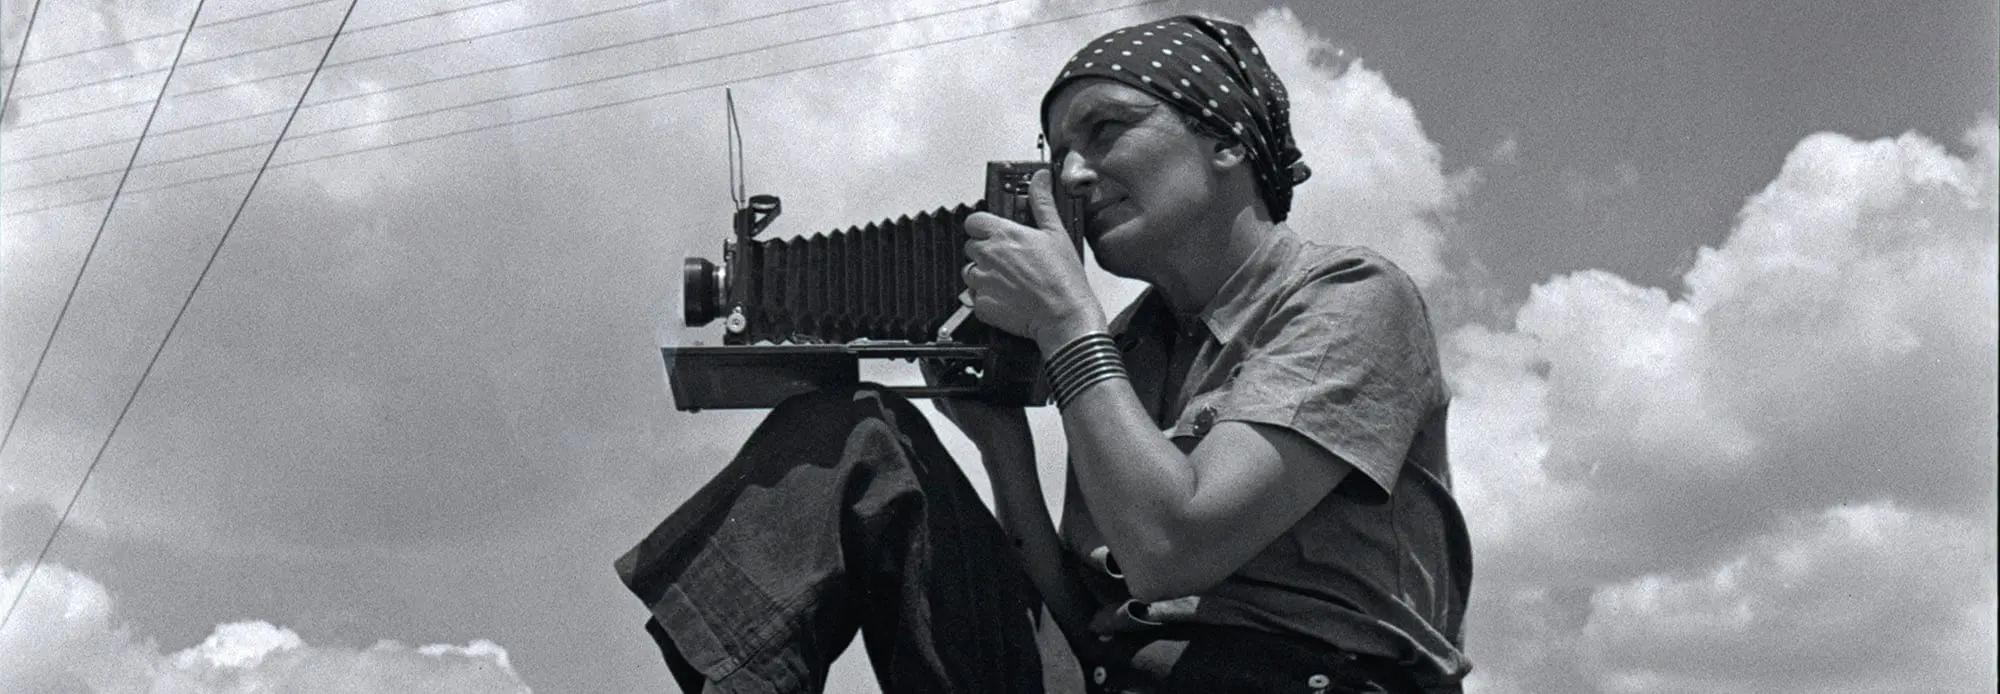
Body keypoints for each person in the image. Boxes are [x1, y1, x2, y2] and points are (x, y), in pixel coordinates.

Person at [617, 15, 1471, 693]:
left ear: (1228, 141)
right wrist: (1002, 449)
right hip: (1114, 677)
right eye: (1057, 151)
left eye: (1105, 131)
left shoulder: (1351, 296)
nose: (1071, 174)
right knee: (853, 438)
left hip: (1306, 682)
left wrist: (1067, 324)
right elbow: (1088, 617)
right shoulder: (1131, 348)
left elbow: (1175, 547)